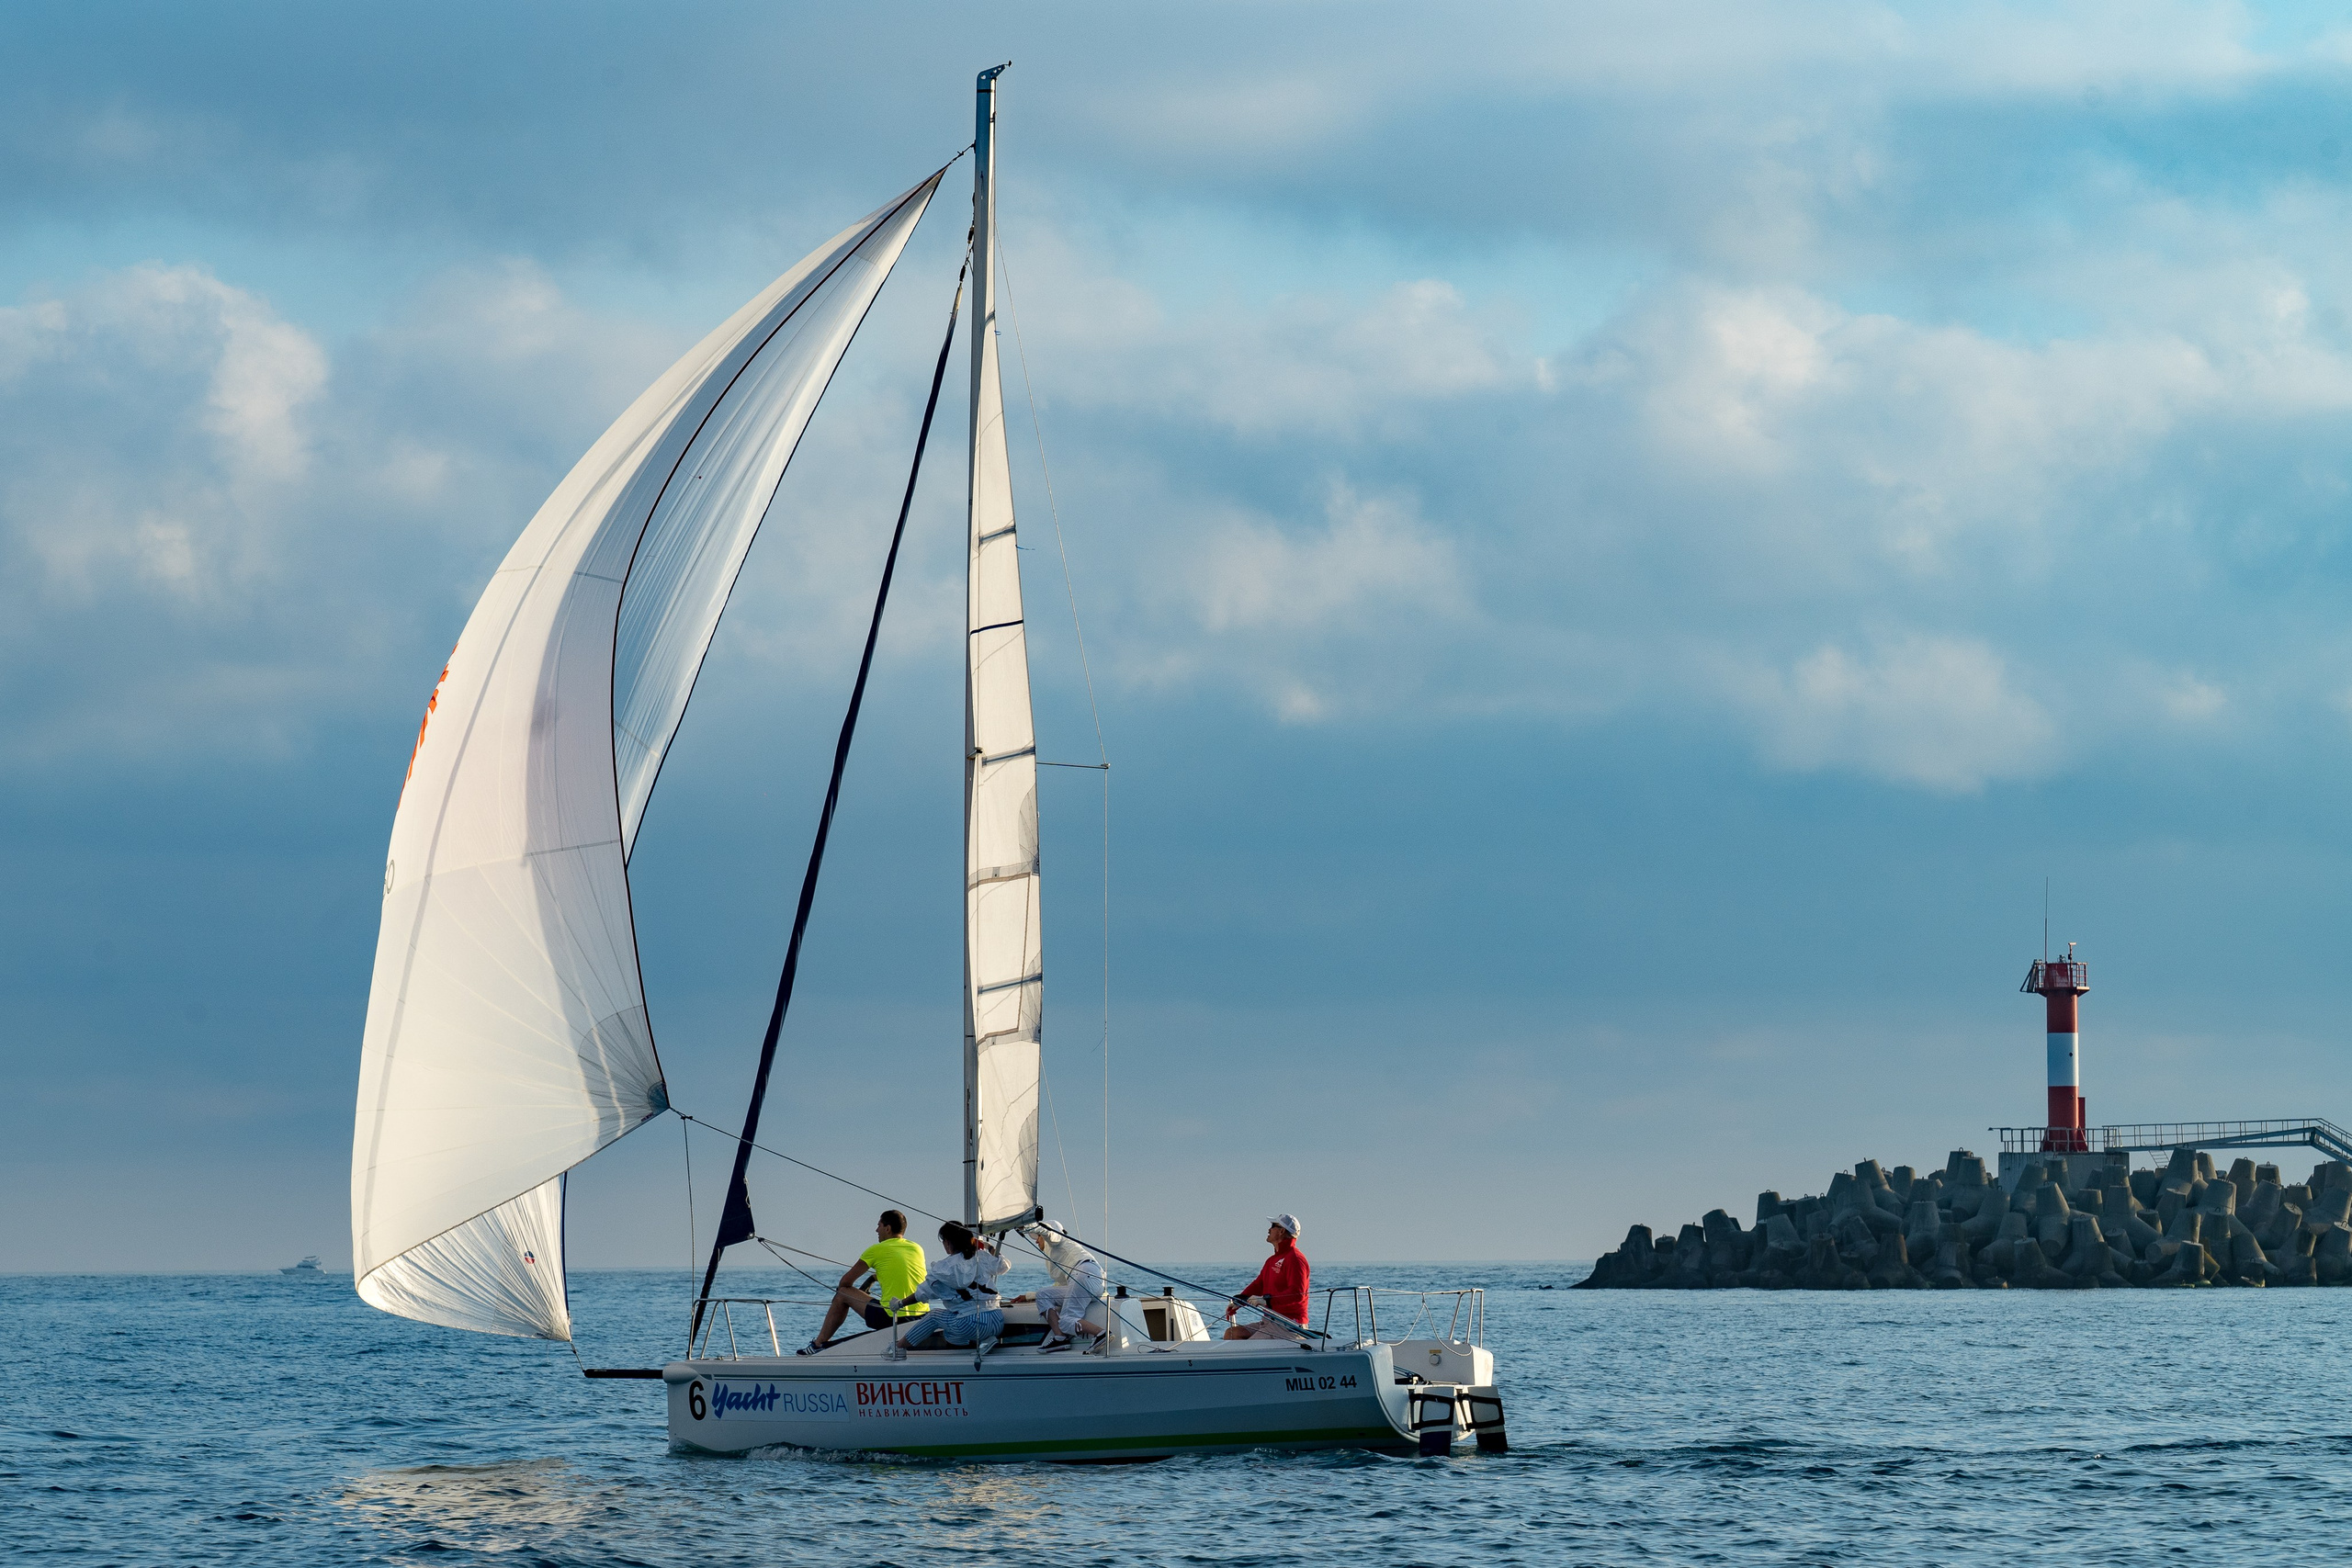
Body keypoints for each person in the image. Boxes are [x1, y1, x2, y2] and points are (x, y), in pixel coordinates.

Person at [799, 1209, 928, 1354]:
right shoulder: (917, 1248)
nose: (876, 1230)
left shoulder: (876, 1250)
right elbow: (899, 1273)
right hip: (921, 1317)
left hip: (892, 1318)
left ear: (888, 1228)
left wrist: (859, 1293)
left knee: (842, 1294)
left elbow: (845, 1283)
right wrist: (872, 1278)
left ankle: (818, 1344)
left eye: (879, 1225)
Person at [888, 1222, 1009, 1352]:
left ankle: (897, 1348)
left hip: (972, 1324)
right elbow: (1003, 1265)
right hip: (997, 1320)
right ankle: (984, 1341)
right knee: (949, 1334)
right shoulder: (982, 1257)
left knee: (934, 1315)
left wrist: (900, 1304)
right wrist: (988, 1246)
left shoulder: (944, 1268)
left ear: (947, 1242)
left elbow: (922, 1294)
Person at [1009, 1212, 1106, 1351]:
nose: (1036, 1241)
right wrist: (1028, 1296)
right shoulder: (1059, 1252)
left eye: (1038, 1237)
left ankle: (1101, 1334)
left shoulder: (1056, 1239)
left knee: (1066, 1320)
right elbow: (1060, 1287)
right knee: (1043, 1295)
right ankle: (1060, 1338)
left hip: (1084, 1275)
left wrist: (1024, 1226)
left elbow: (1047, 1232)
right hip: (1089, 1280)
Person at [1223, 1213, 1310, 1340]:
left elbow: (1298, 1294)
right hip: (1269, 1321)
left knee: (1246, 1348)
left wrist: (1268, 1300)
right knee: (1232, 1334)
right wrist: (1239, 1301)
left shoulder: (1295, 1259)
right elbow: (1259, 1284)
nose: (1269, 1230)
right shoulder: (1272, 1260)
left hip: (1289, 1325)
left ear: (1281, 1231)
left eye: (1273, 1226)